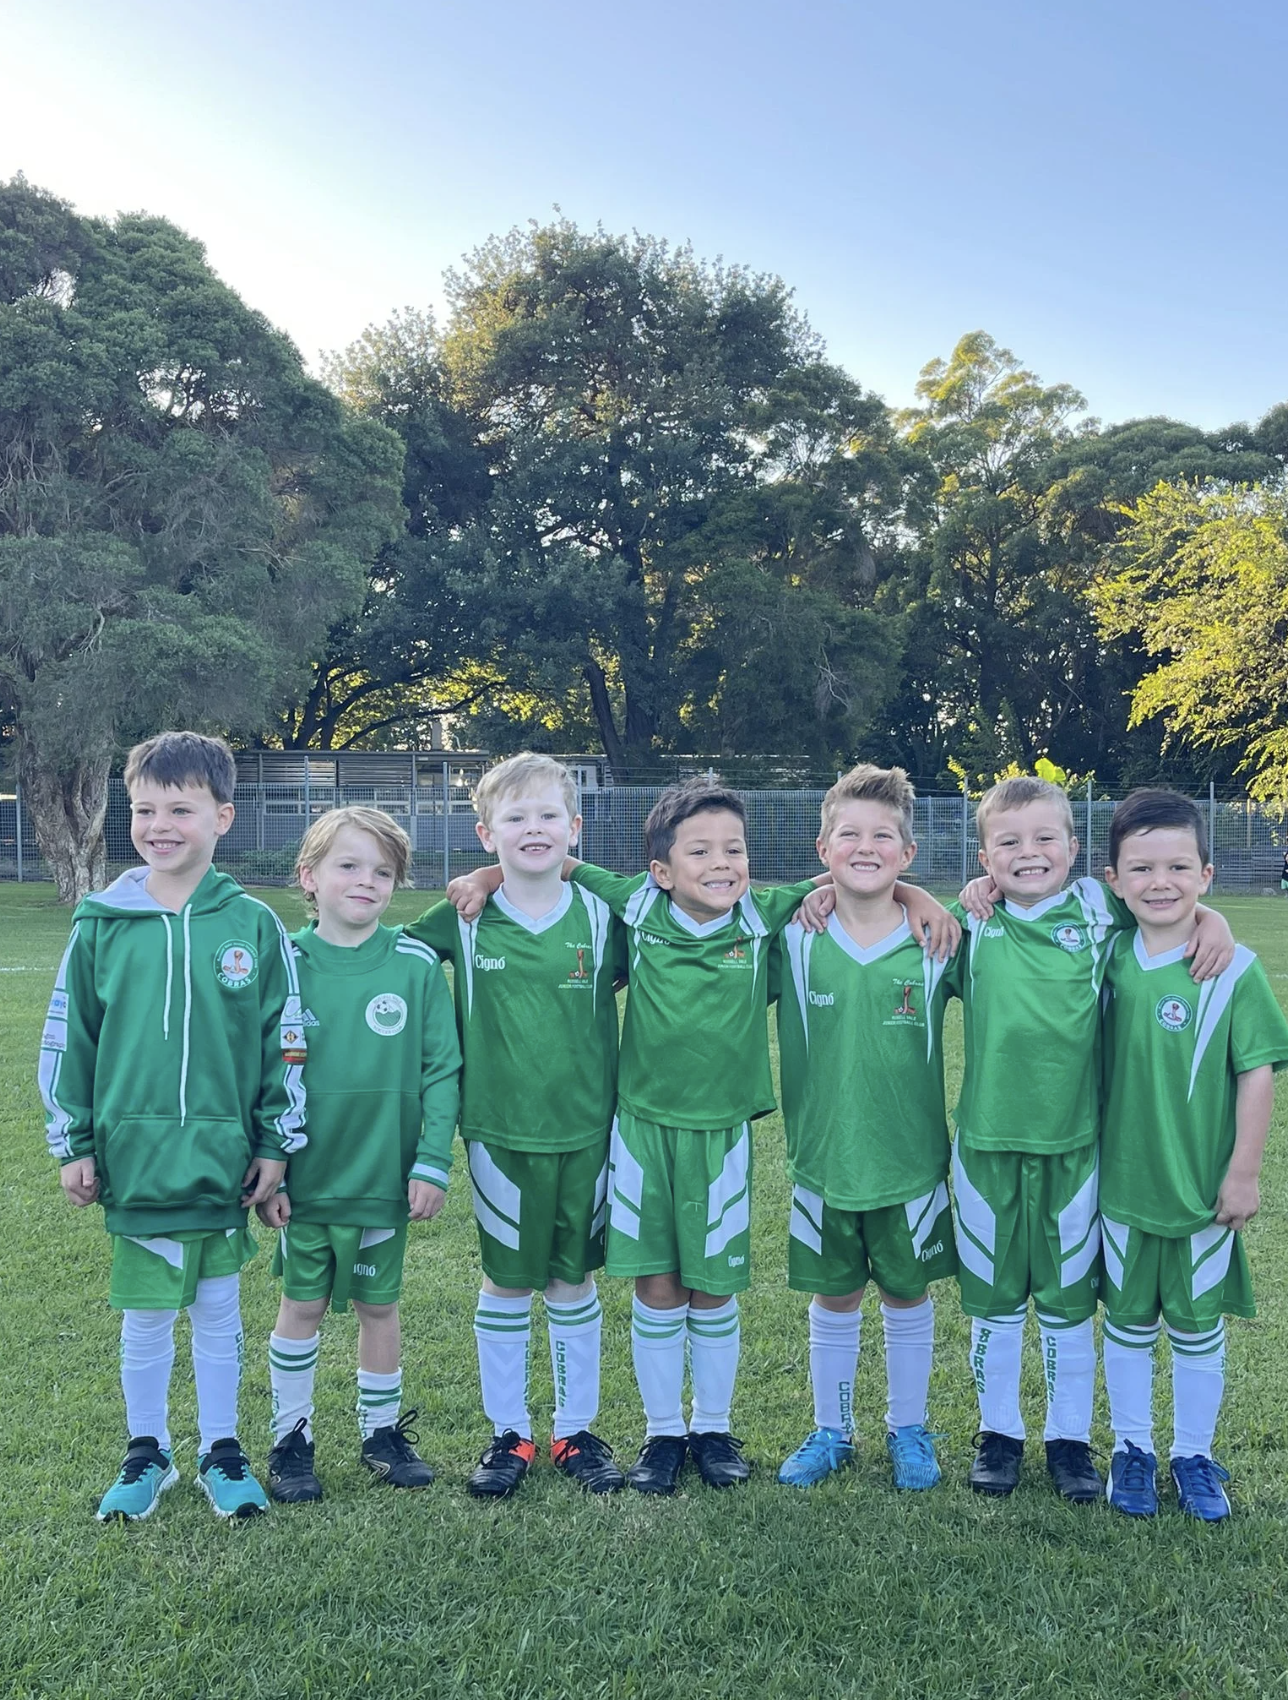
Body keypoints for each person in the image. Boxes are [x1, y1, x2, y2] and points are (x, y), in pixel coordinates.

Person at [448, 775, 956, 1494]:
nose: (721, 864)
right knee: (657, 1285)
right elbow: (556, 861)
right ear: (661, 870)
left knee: (712, 1290)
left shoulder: (766, 915)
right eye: (700, 852)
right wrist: (485, 874)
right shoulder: (635, 904)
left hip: (723, 1137)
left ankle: (713, 1427)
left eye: (734, 850)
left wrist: (915, 893)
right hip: (641, 1133)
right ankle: (663, 1434)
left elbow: (854, 874)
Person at [39, 731, 306, 1521]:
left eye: (180, 809)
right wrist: (73, 1142)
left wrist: (276, 1144)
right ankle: (146, 1452)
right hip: (136, 1160)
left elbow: (287, 1041)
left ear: (222, 816)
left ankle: (223, 1451)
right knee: (147, 1314)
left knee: (218, 1309)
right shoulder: (101, 923)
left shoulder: (253, 924)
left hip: (223, 1160)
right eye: (145, 809)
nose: (160, 825)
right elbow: (69, 1038)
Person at [955, 776, 1234, 1502]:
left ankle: (1070, 1441)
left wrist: (1214, 920)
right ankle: (999, 1434)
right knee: (993, 1306)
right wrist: (938, 895)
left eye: (1046, 838)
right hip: (985, 1150)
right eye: (1009, 842)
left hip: (1077, 1150)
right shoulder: (971, 922)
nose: (1029, 853)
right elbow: (897, 914)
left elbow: (1165, 899)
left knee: (1068, 1306)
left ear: (1076, 849)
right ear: (984, 858)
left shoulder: (1097, 910)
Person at [407, 755, 628, 1499]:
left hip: (588, 1129)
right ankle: (509, 1432)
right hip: (498, 1131)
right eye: (515, 817)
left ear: (575, 828)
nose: (534, 828)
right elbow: (386, 953)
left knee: (573, 1279)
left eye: (548, 816)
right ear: (486, 833)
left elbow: (677, 923)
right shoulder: (464, 915)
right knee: (506, 1281)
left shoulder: (602, 915)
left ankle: (574, 1430)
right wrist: (484, 879)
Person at [261, 807, 460, 1503]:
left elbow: (442, 1070)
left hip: (385, 1177)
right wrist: (271, 1165)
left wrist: (431, 1162)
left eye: (382, 871)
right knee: (302, 1304)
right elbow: (260, 1070)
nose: (366, 881)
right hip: (306, 1179)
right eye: (348, 865)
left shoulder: (414, 964)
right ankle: (290, 1439)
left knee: (380, 1306)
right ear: (309, 877)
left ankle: (381, 1433)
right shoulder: (284, 962)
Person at [1098, 789, 1288, 1520]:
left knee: (1197, 1325)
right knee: (1127, 1323)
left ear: (1207, 874)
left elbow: (1256, 1072)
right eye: (1141, 868)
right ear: (1114, 880)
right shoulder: (1106, 955)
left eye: (1179, 867)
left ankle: (1194, 1455)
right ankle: (1133, 1450)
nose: (1161, 882)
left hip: (1202, 1189)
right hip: (1120, 1184)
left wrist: (1245, 1172)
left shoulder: (1233, 967)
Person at [774, 765, 959, 1492]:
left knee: (907, 1295)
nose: (866, 847)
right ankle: (832, 1430)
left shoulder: (938, 937)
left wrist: (920, 898)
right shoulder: (793, 934)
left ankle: (908, 1427)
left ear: (907, 853)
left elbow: (1019, 900)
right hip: (824, 1157)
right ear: (823, 849)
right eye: (848, 834)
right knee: (835, 1296)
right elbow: (705, 896)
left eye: (884, 836)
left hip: (909, 1157)